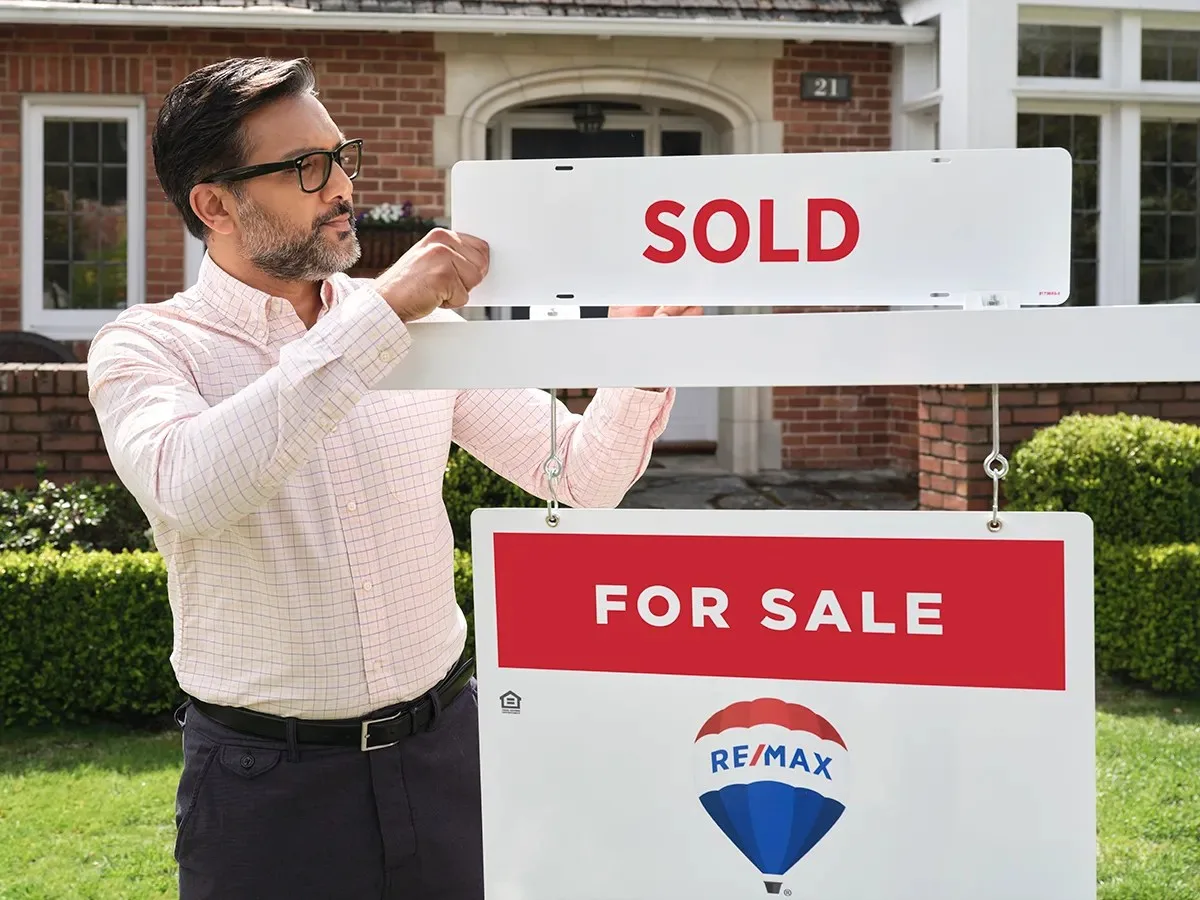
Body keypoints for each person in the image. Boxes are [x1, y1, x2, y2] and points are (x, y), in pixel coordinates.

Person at [86, 56, 699, 900]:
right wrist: (383, 313)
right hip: (267, 789)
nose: (340, 185)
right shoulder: (148, 348)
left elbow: (579, 475)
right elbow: (195, 487)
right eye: (305, 166)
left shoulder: (417, 331)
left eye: (341, 156)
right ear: (214, 204)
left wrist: (641, 352)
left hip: (447, 753)